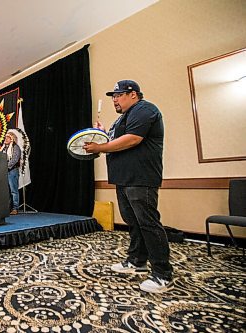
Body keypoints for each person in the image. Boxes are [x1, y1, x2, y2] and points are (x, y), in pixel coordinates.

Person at [83, 80, 172, 294]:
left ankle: (163, 274)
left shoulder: (144, 109)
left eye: (119, 94)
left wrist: (100, 146)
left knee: (148, 223)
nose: (115, 99)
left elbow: (132, 140)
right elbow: (116, 140)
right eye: (113, 96)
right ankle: (137, 261)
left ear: (133, 94)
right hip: (124, 178)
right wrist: (104, 133)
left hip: (141, 177)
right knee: (134, 223)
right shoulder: (122, 118)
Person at [1, 130, 21, 215]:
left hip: (12, 171)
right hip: (5, 171)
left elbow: (15, 159)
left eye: (7, 137)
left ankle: (15, 208)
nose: (5, 139)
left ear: (11, 139)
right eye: (5, 137)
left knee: (13, 190)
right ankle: (7, 208)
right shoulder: (4, 148)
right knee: (6, 191)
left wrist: (6, 166)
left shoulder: (15, 147)